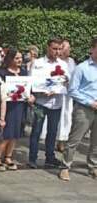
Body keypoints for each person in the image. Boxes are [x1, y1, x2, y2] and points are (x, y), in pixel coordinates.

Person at [59, 36, 97, 181]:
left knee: (96, 141)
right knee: (75, 139)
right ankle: (65, 167)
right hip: (84, 108)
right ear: (92, 49)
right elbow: (73, 90)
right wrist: (90, 102)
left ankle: (93, 166)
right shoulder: (82, 68)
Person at [28, 36, 68, 169]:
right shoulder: (38, 63)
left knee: (52, 131)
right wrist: (37, 92)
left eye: (59, 49)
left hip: (56, 103)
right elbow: (31, 81)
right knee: (36, 130)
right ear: (48, 48)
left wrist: (56, 90)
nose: (57, 52)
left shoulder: (63, 64)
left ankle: (50, 158)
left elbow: (66, 82)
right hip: (40, 102)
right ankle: (32, 158)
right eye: (54, 49)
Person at [0, 47, 28, 171]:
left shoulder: (24, 72)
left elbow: (28, 88)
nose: (20, 60)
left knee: (15, 132)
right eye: (17, 58)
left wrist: (31, 97)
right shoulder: (1, 73)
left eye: (20, 58)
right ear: (10, 59)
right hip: (7, 106)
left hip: (19, 106)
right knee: (5, 133)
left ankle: (8, 157)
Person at [57, 39, 77, 147]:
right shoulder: (57, 61)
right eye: (67, 47)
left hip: (68, 94)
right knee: (57, 117)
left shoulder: (71, 61)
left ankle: (62, 141)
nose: (69, 50)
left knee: (66, 117)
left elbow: (75, 76)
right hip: (57, 93)